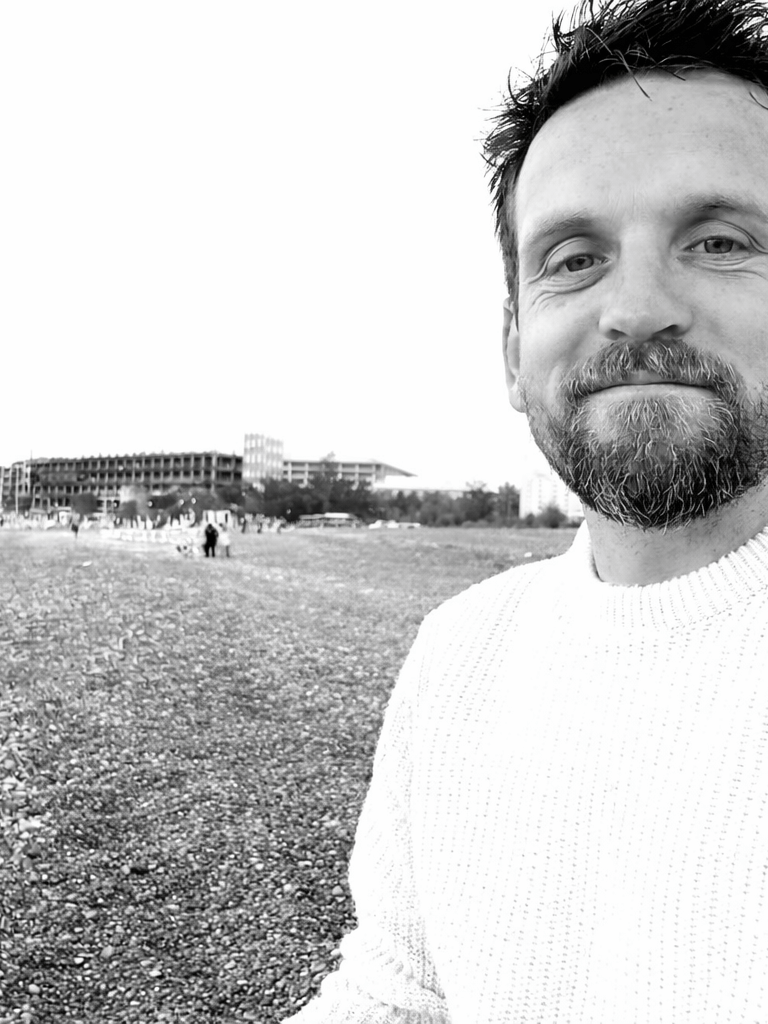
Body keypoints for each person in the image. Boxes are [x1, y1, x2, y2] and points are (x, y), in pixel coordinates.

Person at [281, 1, 768, 1020]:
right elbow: (395, 989)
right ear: (513, 349)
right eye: (574, 258)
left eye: (720, 240)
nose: (637, 308)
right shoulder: (460, 653)